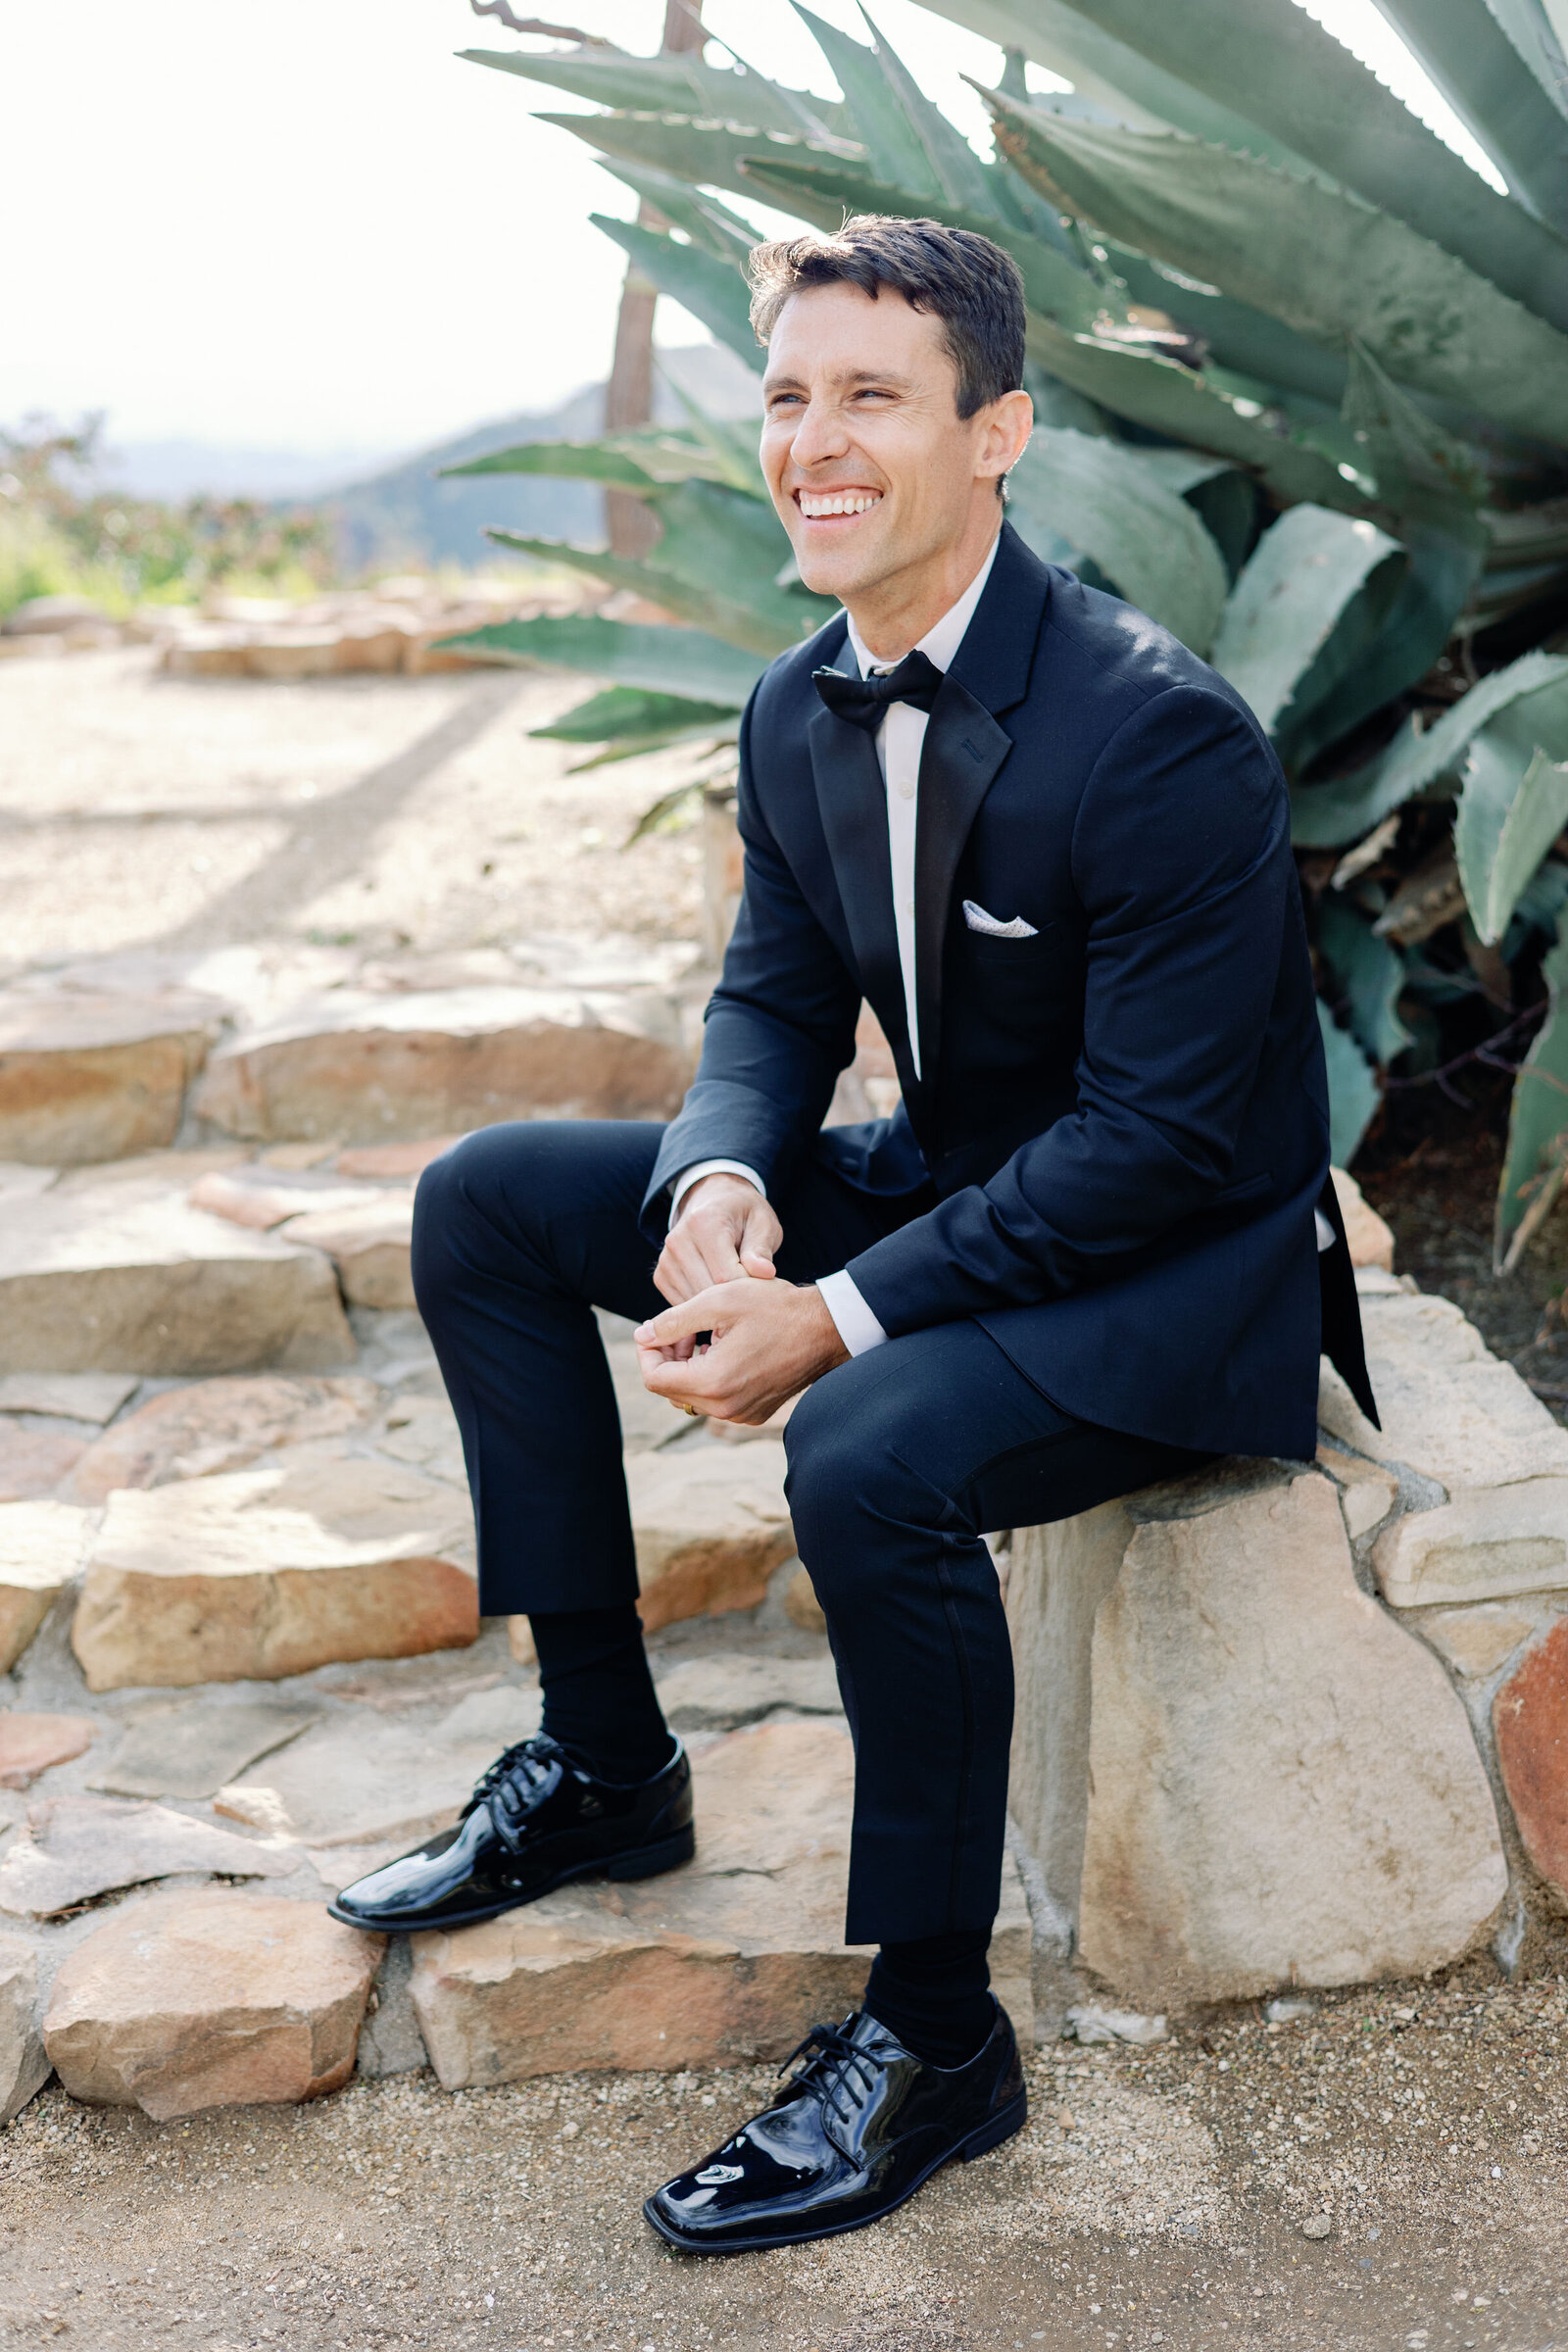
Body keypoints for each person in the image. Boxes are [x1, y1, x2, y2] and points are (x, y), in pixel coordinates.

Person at [330, 215, 1375, 2254]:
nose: (813, 441)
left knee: (865, 1444)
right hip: (971, 1184)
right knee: (491, 1205)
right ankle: (609, 1766)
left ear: (995, 433)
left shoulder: (1152, 733)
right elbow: (769, 1006)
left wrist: (840, 1309)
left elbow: (1160, 1144)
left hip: (1177, 1269)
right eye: (788, 397)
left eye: (871, 397)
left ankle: (930, 2031)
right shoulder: (792, 700)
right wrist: (719, 1184)